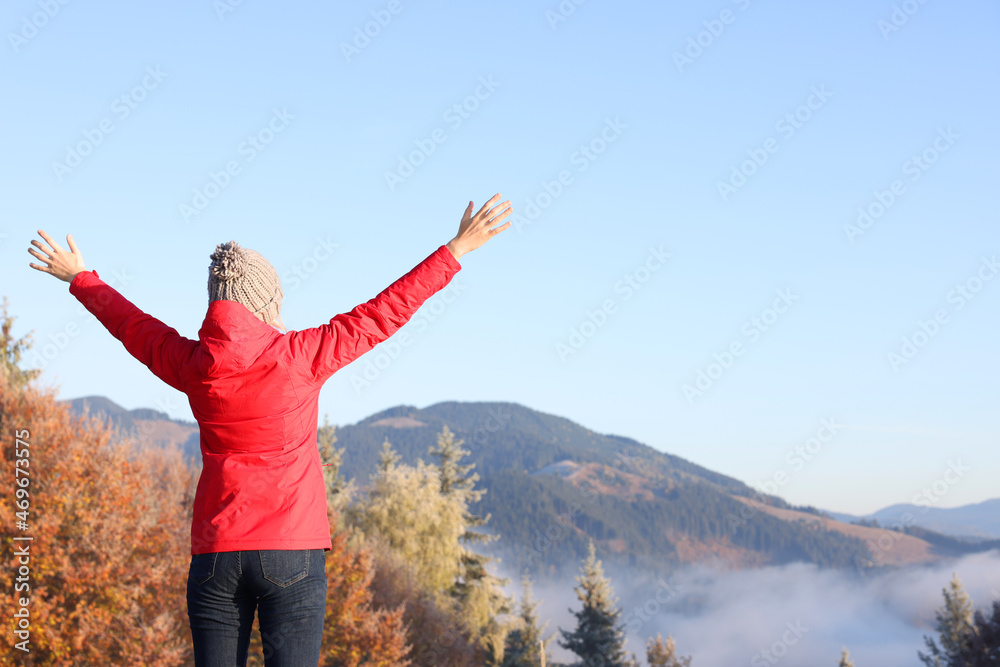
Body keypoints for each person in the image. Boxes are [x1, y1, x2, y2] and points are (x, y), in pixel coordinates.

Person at [27, 193, 512, 666]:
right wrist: (456, 249)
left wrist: (80, 278)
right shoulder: (302, 355)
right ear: (264, 304)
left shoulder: (195, 364)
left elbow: (133, 327)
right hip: (292, 550)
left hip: (217, 555)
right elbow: (384, 312)